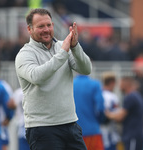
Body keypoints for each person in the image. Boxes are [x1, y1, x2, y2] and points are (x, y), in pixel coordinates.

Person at [15, 8, 92, 150]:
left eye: (49, 25)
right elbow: (37, 77)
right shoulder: (25, 54)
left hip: (70, 124)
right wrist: (63, 53)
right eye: (41, 26)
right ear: (29, 29)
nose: (46, 29)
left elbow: (86, 69)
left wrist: (75, 46)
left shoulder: (63, 47)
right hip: (43, 128)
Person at [105, 76, 143, 150]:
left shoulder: (130, 97)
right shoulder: (136, 95)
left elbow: (120, 117)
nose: (119, 86)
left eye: (121, 84)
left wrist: (107, 113)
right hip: (136, 135)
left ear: (126, 85)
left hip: (132, 137)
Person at [73, 75, 105, 150]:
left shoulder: (70, 84)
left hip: (73, 132)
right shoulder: (95, 84)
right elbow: (100, 107)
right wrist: (101, 120)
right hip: (92, 130)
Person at [101, 72, 121, 150]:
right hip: (110, 133)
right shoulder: (112, 97)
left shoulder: (98, 94)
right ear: (112, 83)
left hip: (99, 132)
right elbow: (116, 115)